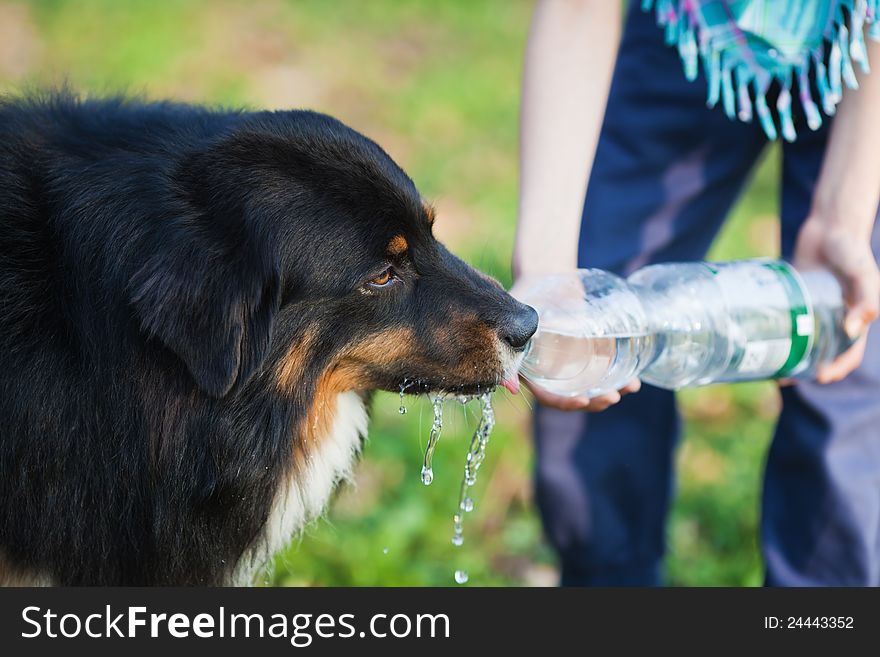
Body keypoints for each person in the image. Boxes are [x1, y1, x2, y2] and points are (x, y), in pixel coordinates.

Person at [513, 0, 880, 586]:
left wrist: (843, 215)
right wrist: (546, 267)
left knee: (846, 370)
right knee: (584, 338)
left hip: (866, 57)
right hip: (690, 31)